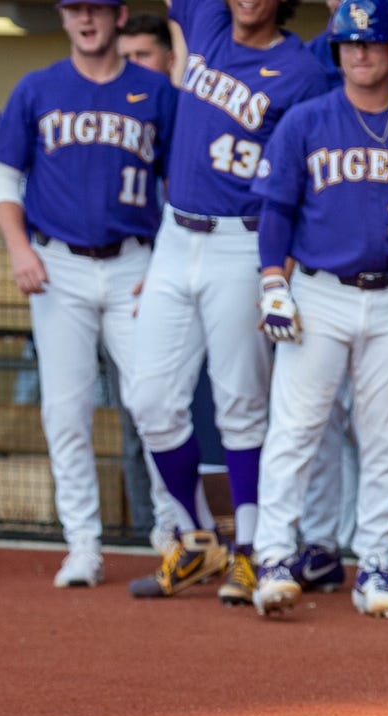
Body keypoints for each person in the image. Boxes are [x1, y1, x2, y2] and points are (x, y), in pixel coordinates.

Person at [0, 0, 185, 557]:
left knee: (156, 402)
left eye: (96, 8)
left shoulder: (155, 91)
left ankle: (175, 532)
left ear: (119, 16)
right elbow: (2, 179)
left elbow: (182, 185)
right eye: (75, 8)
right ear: (63, 15)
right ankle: (82, 542)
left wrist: (167, 262)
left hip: (135, 262)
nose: (86, 18)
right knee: (65, 409)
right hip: (60, 266)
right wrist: (19, 249)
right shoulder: (38, 87)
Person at [125, 0, 328, 604]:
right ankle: (196, 537)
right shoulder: (207, 22)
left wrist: (278, 267)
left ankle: (251, 548)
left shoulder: (302, 70)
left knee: (241, 403)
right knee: (149, 399)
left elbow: (298, 178)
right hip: (174, 234)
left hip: (241, 240)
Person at [247, 0, 388, 619]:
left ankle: (375, 565)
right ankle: (275, 557)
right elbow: (275, 211)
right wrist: (272, 283)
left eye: (373, 44)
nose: (361, 54)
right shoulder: (306, 121)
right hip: (321, 293)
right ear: (336, 52)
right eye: (351, 44)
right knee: (297, 430)